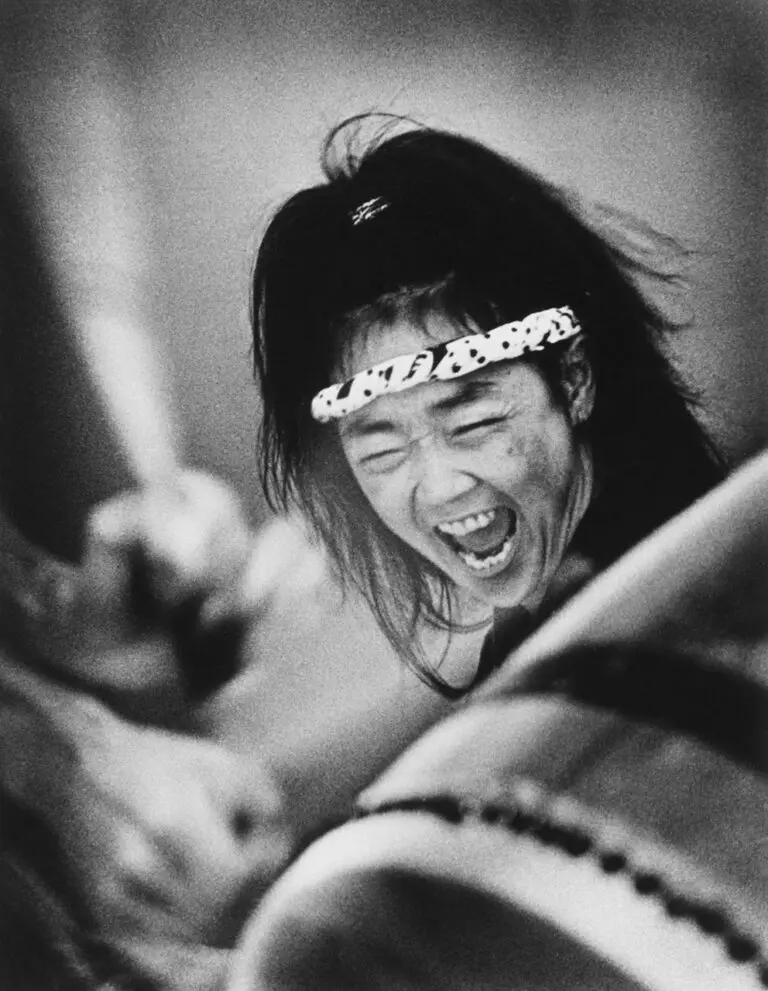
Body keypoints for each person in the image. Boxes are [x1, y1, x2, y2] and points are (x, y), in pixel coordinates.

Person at [250, 112, 726, 697]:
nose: (440, 487)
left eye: (473, 422)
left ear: (574, 378)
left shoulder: (667, 622)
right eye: (382, 450)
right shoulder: (536, 638)